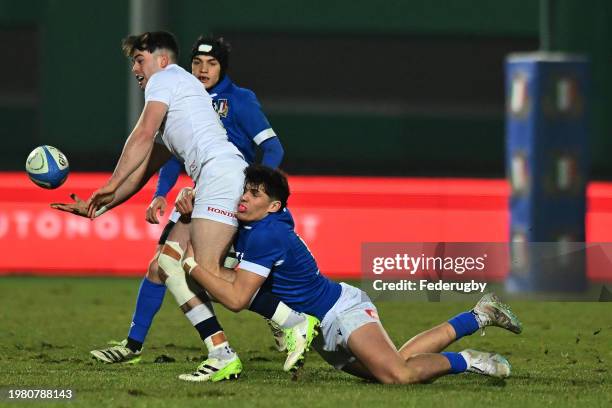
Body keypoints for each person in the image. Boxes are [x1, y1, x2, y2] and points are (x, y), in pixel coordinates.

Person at [50, 32, 315, 382]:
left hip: (219, 175)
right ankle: (220, 348)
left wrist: (108, 184)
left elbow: (141, 135)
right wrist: (101, 206)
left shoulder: (165, 79)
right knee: (168, 265)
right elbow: (144, 166)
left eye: (140, 60)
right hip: (215, 177)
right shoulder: (181, 97)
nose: (135, 68)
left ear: (162, 60)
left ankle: (286, 322)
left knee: (200, 271)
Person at [175, 164, 523, 383]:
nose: (244, 199)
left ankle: (470, 361)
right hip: (322, 326)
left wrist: (188, 265)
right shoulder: (256, 225)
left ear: (274, 206)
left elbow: (236, 298)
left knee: (397, 375)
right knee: (396, 364)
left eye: (255, 194)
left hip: (340, 312)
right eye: (245, 192)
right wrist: (193, 218)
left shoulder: (267, 233)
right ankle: (477, 316)